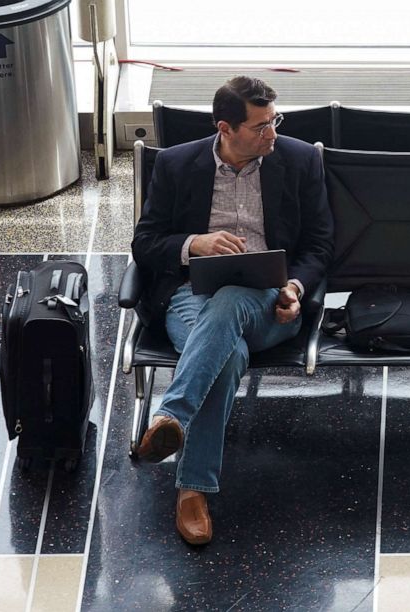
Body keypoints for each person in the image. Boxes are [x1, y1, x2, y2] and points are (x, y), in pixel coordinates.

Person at [131, 76, 334, 544]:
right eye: (261, 126)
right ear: (226, 128)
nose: (273, 134)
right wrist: (194, 244)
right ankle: (192, 490)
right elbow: (144, 244)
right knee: (226, 358)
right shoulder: (179, 165)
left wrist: (296, 289)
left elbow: (321, 244)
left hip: (271, 301)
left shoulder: (300, 160)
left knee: (232, 299)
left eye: (274, 121)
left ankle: (172, 418)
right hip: (189, 298)